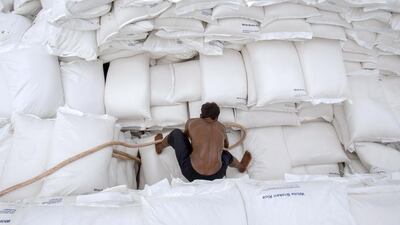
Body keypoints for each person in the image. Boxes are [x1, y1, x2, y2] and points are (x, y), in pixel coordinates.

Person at [154, 102, 252, 182]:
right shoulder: (222, 128)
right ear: (217, 118)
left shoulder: (191, 122)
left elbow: (185, 137)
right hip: (216, 176)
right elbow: (226, 146)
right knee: (226, 154)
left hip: (191, 173)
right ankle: (240, 166)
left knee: (176, 133)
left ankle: (159, 146)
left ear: (201, 115)